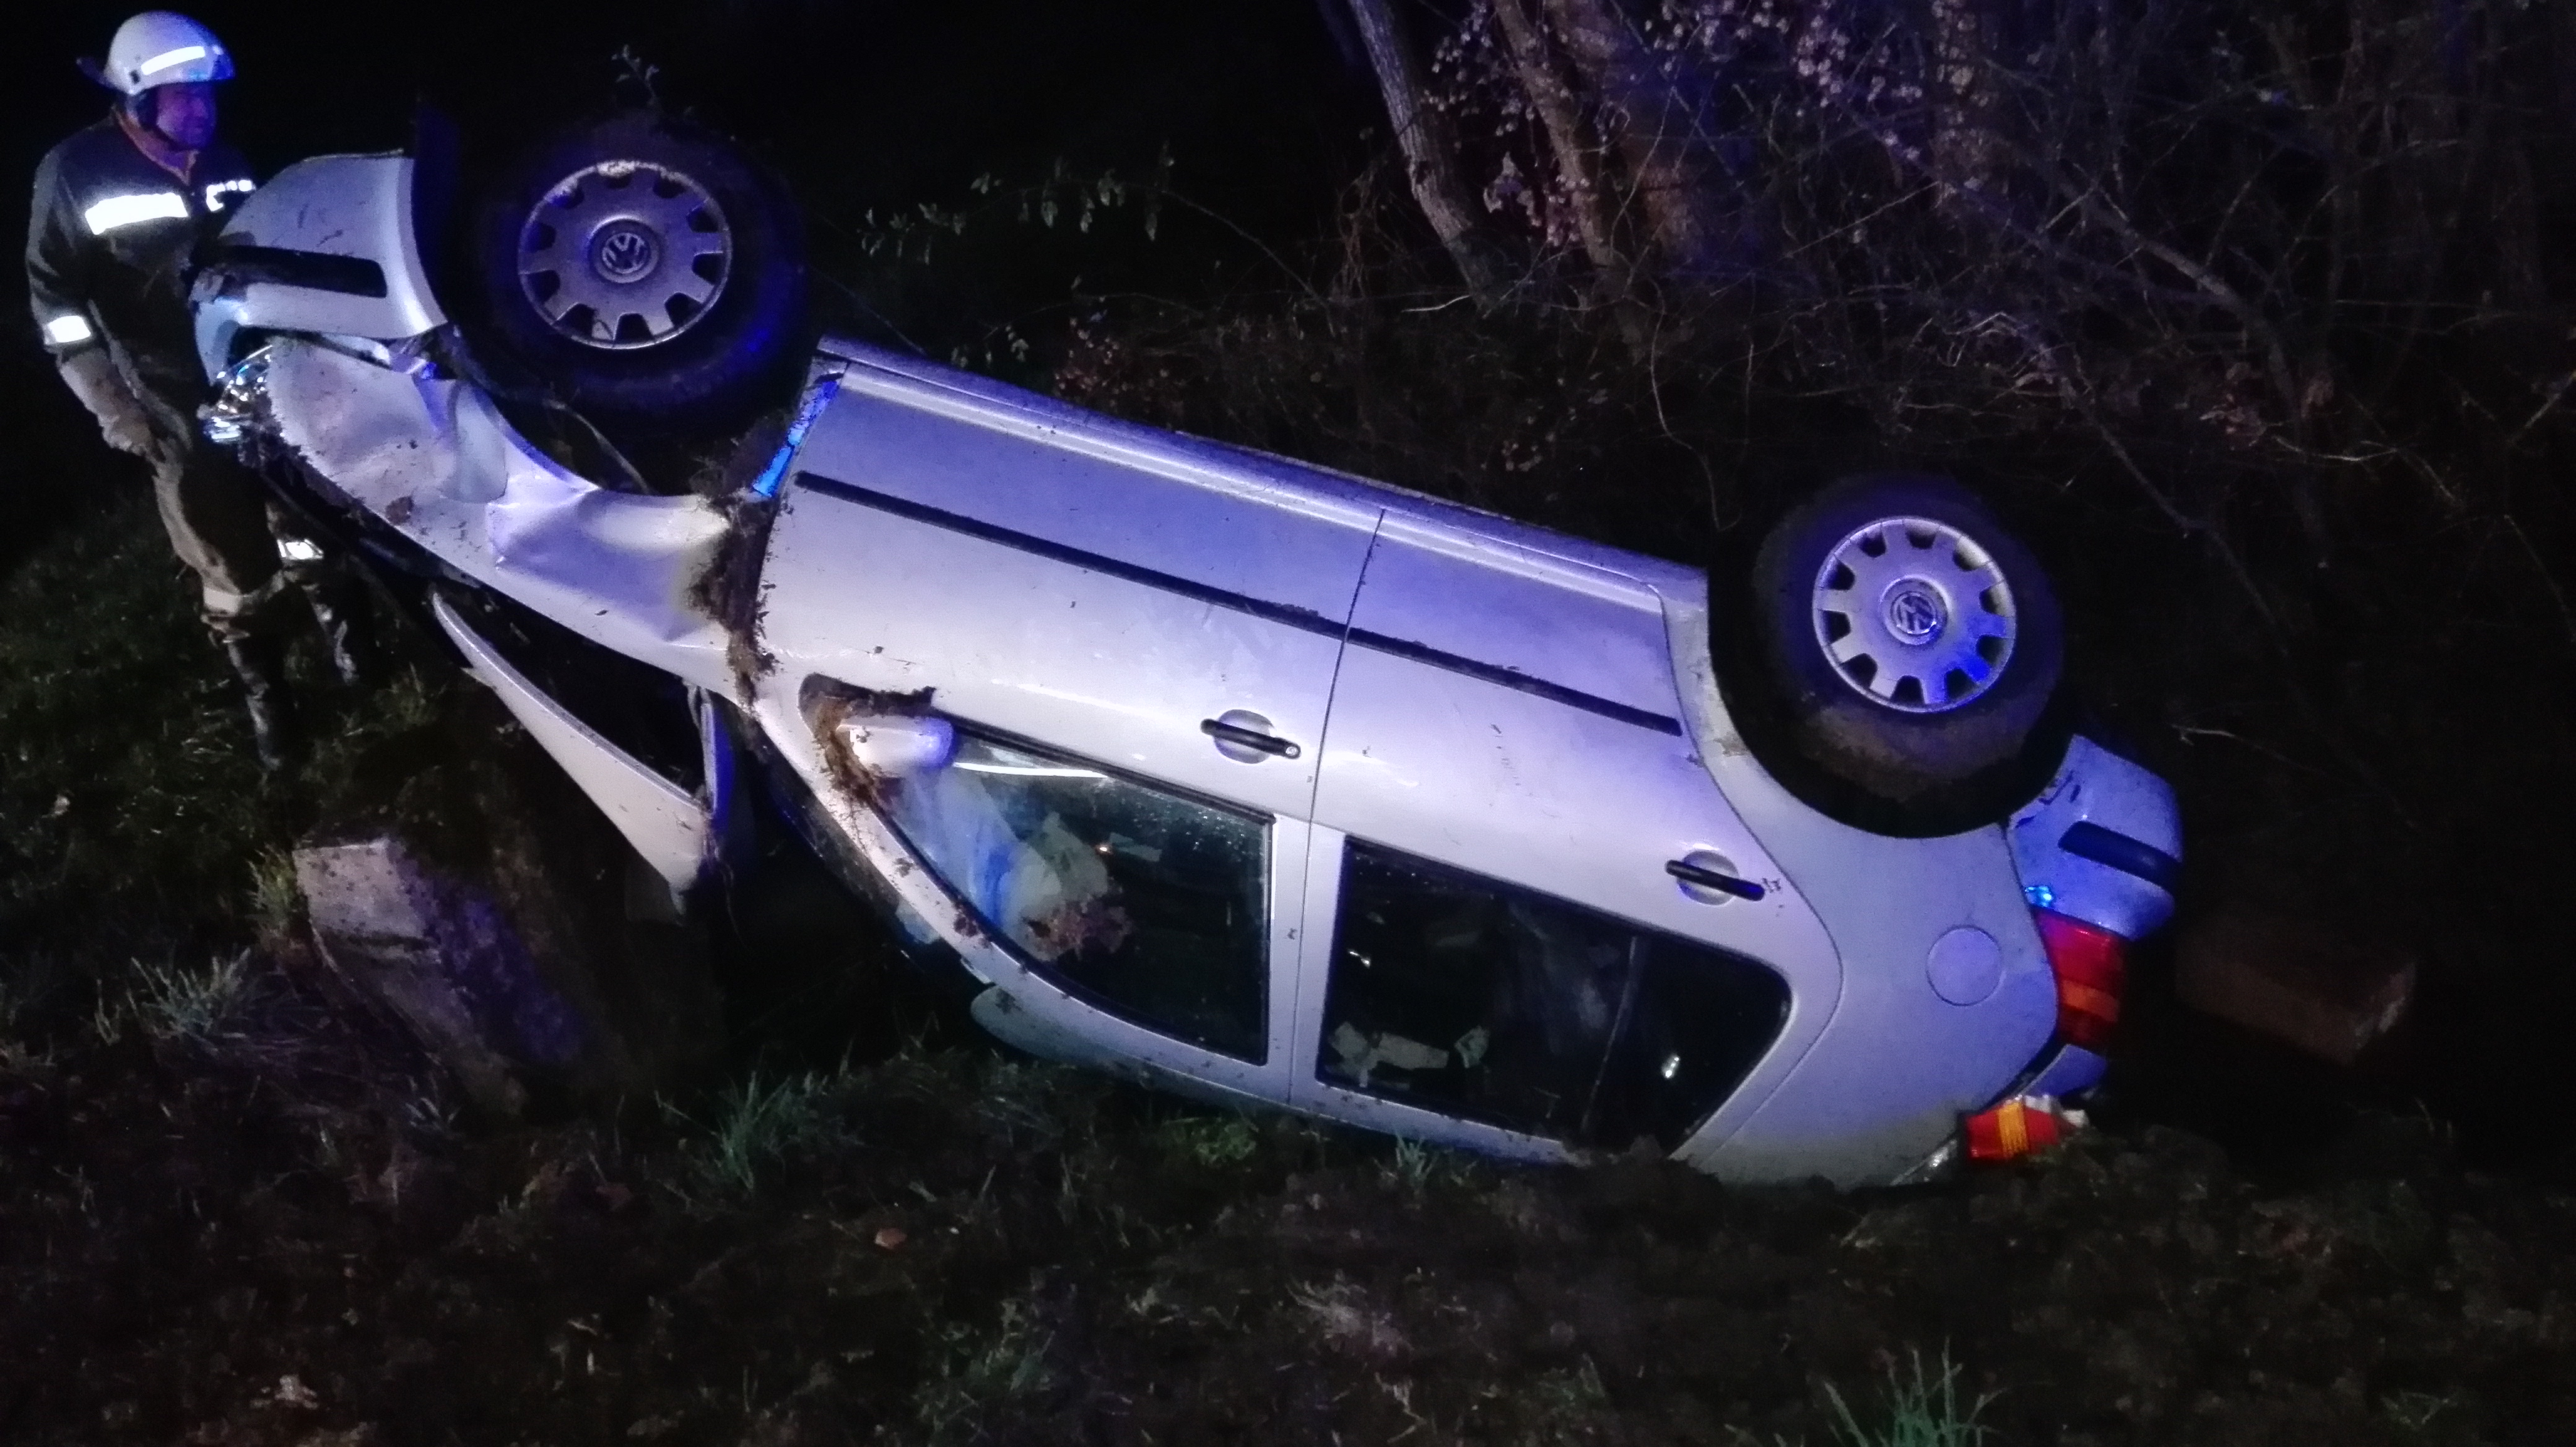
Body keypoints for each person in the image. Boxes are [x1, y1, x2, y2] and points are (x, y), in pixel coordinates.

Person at [25, 11, 368, 771]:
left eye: (209, 93)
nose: (202, 109)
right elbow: (55, 305)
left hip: (260, 378)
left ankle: (353, 651)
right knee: (227, 559)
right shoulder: (75, 171)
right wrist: (114, 407)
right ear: (138, 98)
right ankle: (272, 711)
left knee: (306, 518)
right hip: (168, 397)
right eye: (184, 95)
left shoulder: (228, 161)